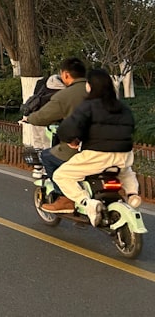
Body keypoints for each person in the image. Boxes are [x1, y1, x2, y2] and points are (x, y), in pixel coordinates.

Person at [43, 68, 142, 223]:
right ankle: (132, 194)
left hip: (97, 156)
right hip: (124, 155)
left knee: (61, 175)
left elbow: (68, 129)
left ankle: (87, 202)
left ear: (90, 86)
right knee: (126, 172)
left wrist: (71, 140)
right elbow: (130, 129)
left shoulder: (88, 106)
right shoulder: (123, 108)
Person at [24, 57, 89, 179]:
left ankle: (60, 193)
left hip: (79, 149)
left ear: (65, 74)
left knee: (47, 157)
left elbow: (42, 117)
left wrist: (29, 118)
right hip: (114, 151)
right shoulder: (102, 92)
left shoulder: (64, 95)